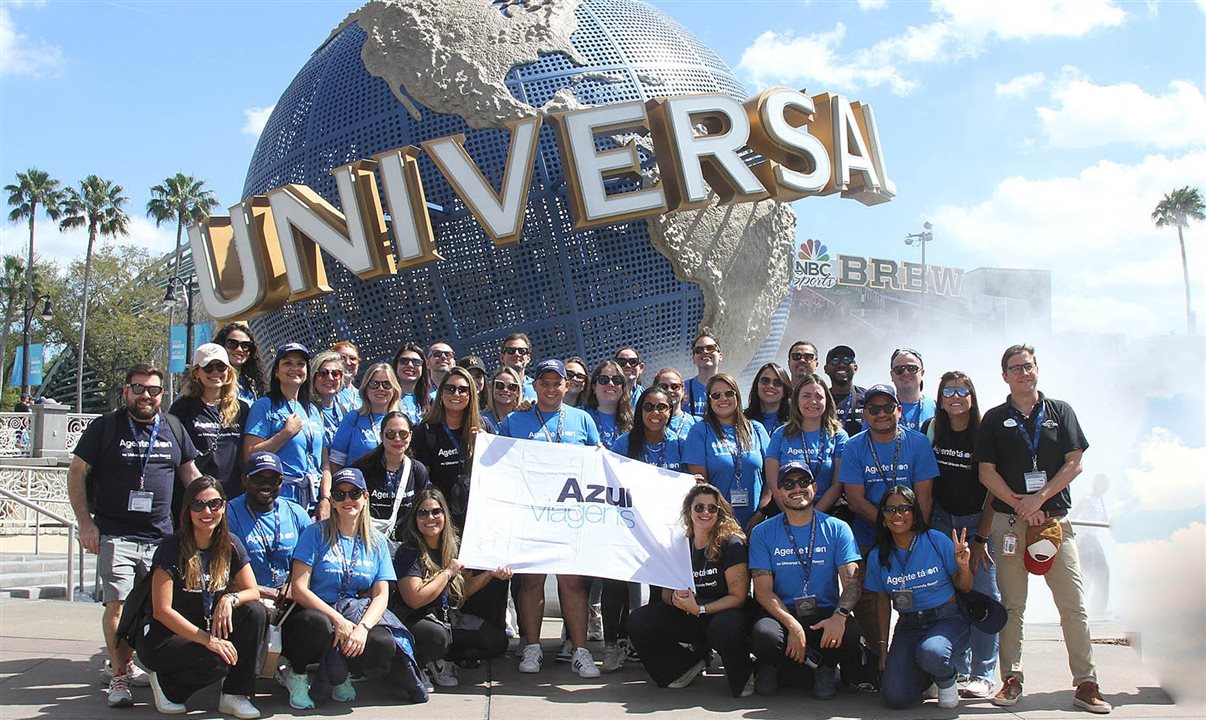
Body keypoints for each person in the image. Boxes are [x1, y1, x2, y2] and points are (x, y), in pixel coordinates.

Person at [975, 344, 1111, 713]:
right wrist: (1021, 504)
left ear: (1038, 370)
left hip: (1053, 522)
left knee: (1073, 604)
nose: (1023, 373)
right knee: (1013, 605)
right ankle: (1012, 679)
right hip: (1010, 523)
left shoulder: (1060, 411)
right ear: (1004, 376)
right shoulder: (994, 418)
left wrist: (1040, 500)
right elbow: (986, 472)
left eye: (1028, 366)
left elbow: (1075, 462)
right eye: (1015, 368)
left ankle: (1086, 682)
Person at [66, 363, 201, 708]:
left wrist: (210, 509)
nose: (146, 395)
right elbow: (77, 472)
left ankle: (146, 665)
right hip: (117, 534)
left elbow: (189, 472)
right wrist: (85, 522)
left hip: (162, 536)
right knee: (119, 604)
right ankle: (119, 676)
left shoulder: (172, 427)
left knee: (161, 607)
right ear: (126, 391)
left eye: (153, 390)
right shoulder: (106, 427)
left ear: (162, 395)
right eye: (138, 388)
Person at [284, 468, 425, 708]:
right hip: (316, 613)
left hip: (354, 613)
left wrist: (363, 628)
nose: (348, 500)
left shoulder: (377, 541)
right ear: (333, 501)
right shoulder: (314, 533)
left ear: (365, 497)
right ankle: (296, 673)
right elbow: (299, 588)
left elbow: (382, 594)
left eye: (354, 493)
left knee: (382, 642)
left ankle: (340, 672)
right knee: (317, 624)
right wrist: (337, 620)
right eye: (339, 495)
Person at [498, 358, 602, 678]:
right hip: (531, 514)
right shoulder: (517, 420)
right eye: (544, 382)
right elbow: (498, 464)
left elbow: (599, 464)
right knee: (532, 581)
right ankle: (532, 646)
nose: (551, 388)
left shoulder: (582, 419)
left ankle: (581, 651)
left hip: (570, 515)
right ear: (535, 386)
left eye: (557, 382)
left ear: (566, 386)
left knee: (571, 581)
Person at [138, 477, 266, 719]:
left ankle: (235, 695)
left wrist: (230, 599)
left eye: (214, 504)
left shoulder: (230, 544)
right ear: (188, 509)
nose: (207, 511)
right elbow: (162, 611)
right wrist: (209, 641)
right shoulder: (171, 547)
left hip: (204, 627)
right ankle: (168, 685)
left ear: (224, 507)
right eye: (199, 505)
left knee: (254, 611)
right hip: (166, 637)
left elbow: (253, 591)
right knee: (217, 660)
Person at [839, 383, 939, 671]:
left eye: (887, 408)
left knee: (920, 595)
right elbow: (856, 500)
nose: (881, 414)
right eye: (873, 409)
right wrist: (893, 526)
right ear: (865, 414)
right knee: (866, 599)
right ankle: (878, 658)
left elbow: (925, 496)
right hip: (870, 536)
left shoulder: (917, 443)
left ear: (898, 410)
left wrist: (908, 534)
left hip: (914, 536)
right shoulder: (853, 446)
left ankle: (921, 660)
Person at [748, 462, 863, 700]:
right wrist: (792, 625)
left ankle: (826, 668)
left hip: (823, 612)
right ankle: (770, 667)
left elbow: (852, 582)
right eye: (788, 484)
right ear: (779, 493)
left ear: (815, 486)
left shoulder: (837, 528)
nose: (796, 488)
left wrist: (839, 616)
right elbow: (762, 591)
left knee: (850, 630)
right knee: (764, 634)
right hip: (782, 612)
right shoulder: (763, 532)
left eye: (803, 482)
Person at [629, 483, 752, 695]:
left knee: (725, 627)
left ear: (719, 512)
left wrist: (701, 610)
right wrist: (676, 598)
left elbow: (738, 597)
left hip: (724, 614)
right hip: (689, 614)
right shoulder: (678, 544)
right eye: (699, 507)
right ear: (689, 510)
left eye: (712, 508)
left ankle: (744, 674)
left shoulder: (731, 544)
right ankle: (684, 666)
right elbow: (665, 594)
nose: (706, 513)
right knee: (639, 620)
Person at [923, 370, 999, 699]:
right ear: (940, 398)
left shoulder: (984, 432)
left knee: (982, 594)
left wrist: (982, 537)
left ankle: (984, 671)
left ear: (972, 396)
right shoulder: (932, 429)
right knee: (952, 594)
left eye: (962, 390)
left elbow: (994, 490)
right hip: (942, 520)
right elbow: (925, 481)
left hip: (978, 520)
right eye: (949, 391)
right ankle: (959, 665)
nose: (955, 396)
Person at [392, 489, 512, 689]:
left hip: (448, 618)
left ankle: (443, 658)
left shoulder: (454, 547)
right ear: (415, 519)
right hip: (417, 619)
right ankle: (417, 663)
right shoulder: (408, 552)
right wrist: (447, 573)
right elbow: (415, 598)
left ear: (444, 515)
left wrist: (490, 574)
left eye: (436, 512)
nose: (430, 518)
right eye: (423, 513)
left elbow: (461, 594)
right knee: (438, 637)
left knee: (497, 641)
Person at [866, 486, 972, 709]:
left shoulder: (935, 540)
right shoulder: (878, 556)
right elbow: (882, 602)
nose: (898, 515)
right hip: (909, 625)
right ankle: (927, 674)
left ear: (915, 513)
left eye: (905, 508)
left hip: (947, 619)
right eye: (890, 509)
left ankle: (946, 677)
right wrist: (883, 648)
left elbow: (965, 587)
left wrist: (963, 567)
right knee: (894, 697)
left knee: (931, 652)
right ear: (883, 517)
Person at [754, 373, 848, 530]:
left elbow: (837, 485)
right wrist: (793, 515)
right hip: (785, 511)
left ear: (827, 401)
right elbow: (773, 482)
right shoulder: (781, 434)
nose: (813, 401)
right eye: (806, 396)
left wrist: (812, 516)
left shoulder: (839, 435)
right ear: (796, 400)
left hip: (826, 513)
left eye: (819, 396)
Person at [243, 344, 327, 515]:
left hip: (314, 500)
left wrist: (325, 498)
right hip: (280, 499)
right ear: (276, 372)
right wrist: (285, 434)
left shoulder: (313, 411)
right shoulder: (265, 406)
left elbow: (324, 462)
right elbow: (249, 455)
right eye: (288, 363)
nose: (295, 368)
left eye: (301, 364)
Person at [411, 367, 495, 532]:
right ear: (441, 393)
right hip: (441, 519)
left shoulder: (483, 426)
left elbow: (498, 472)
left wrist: (485, 446)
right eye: (450, 389)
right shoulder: (425, 431)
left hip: (478, 516)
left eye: (463, 390)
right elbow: (422, 483)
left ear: (471, 395)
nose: (456, 394)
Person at [684, 373, 770, 529]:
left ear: (737, 396)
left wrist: (761, 513)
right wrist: (723, 521)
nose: (723, 399)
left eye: (729, 393)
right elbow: (701, 486)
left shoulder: (756, 429)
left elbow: (772, 479)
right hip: (717, 522)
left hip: (757, 524)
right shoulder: (700, 431)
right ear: (709, 401)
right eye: (716, 395)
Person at [226, 452, 312, 607]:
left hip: (289, 599)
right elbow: (223, 575)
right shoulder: (229, 514)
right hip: (248, 599)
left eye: (274, 480)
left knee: (315, 620)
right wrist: (267, 592)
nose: (266, 485)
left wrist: (295, 587)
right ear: (245, 479)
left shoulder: (297, 513)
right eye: (259, 478)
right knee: (255, 611)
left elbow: (313, 563)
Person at [169, 344, 248, 500]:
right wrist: (200, 495)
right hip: (195, 495)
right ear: (196, 373)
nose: (215, 372)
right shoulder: (182, 408)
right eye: (208, 368)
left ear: (229, 372)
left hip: (234, 496)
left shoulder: (242, 409)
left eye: (221, 367)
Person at [353, 412, 431, 543]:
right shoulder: (363, 469)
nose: (397, 439)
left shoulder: (417, 470)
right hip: (369, 543)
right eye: (390, 433)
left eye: (403, 434)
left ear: (410, 436)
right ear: (381, 436)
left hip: (406, 545)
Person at [329, 363, 402, 471]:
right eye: (374, 384)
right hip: (358, 485)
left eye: (387, 384)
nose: (381, 388)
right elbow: (336, 462)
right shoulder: (353, 418)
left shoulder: (400, 421)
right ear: (365, 388)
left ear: (394, 389)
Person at [612, 387, 687, 472]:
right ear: (641, 410)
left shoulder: (679, 445)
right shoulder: (623, 444)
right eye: (649, 407)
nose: (655, 412)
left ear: (669, 411)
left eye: (661, 407)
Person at [1069, 474, 1111, 615]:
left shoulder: (1100, 500)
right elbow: (1073, 516)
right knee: (1086, 574)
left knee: (1103, 572)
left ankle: (1098, 608)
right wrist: (1077, 536)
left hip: (1095, 540)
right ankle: (1077, 606)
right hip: (1086, 539)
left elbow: (1106, 520)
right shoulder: (1087, 499)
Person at [584, 359, 634, 448]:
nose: (611, 384)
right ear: (594, 387)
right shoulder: (581, 416)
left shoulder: (632, 421)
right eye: (603, 379)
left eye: (617, 380)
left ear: (622, 388)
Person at [213, 323, 265, 405]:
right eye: (232, 343)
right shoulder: (212, 379)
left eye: (245, 345)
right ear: (221, 345)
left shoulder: (252, 384)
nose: (239, 349)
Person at [310, 351, 353, 446]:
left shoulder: (346, 410)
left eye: (336, 373)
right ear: (313, 377)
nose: (330, 378)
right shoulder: (306, 411)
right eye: (323, 373)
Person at [824, 345, 865, 437]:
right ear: (826, 369)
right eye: (835, 360)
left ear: (855, 367)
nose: (841, 364)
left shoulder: (868, 398)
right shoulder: (819, 399)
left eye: (847, 359)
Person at [889, 348, 935, 432]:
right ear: (892, 375)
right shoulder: (880, 411)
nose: (906, 373)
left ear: (922, 373)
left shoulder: (937, 407)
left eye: (912, 368)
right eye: (899, 369)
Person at [683, 328, 722, 418]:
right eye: (699, 350)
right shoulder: (682, 388)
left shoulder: (730, 388)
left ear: (720, 356)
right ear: (693, 359)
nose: (705, 352)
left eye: (710, 348)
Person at [745, 362, 791, 436]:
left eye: (777, 383)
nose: (770, 386)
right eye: (765, 381)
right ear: (757, 385)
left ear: (784, 392)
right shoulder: (743, 420)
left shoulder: (794, 423)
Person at [652, 367, 697, 438]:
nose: (669, 390)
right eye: (663, 387)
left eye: (675, 386)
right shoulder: (648, 423)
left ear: (682, 391)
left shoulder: (696, 423)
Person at [499, 332, 537, 401]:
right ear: (502, 357)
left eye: (522, 351)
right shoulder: (493, 388)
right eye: (511, 350)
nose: (516, 354)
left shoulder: (537, 388)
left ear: (528, 358)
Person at [331, 341, 363, 410]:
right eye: (342, 358)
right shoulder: (326, 393)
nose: (348, 363)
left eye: (353, 359)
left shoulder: (364, 396)